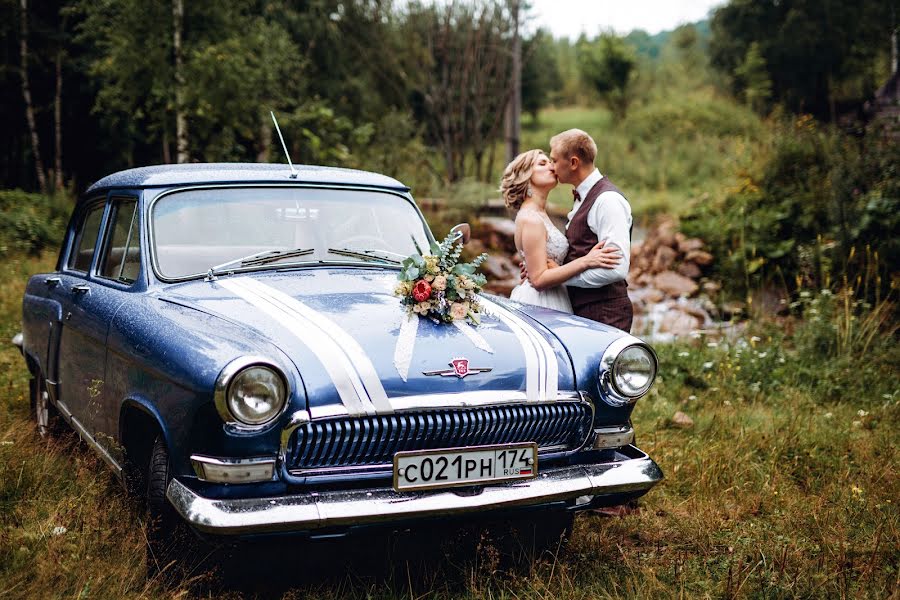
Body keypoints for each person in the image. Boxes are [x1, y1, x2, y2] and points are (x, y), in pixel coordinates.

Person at [500, 149, 622, 313]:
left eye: (550, 162)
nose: (551, 167)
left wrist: (554, 268)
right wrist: (586, 261)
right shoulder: (530, 218)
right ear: (525, 176)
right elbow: (538, 279)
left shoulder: (540, 214)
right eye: (542, 163)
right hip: (541, 303)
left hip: (556, 296)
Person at [549, 128, 634, 331]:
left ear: (573, 163)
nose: (552, 167)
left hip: (605, 313)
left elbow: (616, 268)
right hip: (583, 311)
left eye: (554, 160)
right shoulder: (584, 197)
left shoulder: (607, 200)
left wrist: (562, 277)